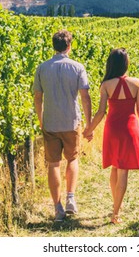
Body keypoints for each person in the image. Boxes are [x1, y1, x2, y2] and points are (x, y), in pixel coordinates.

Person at [33, 30, 93, 222]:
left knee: (53, 164)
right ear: (69, 46)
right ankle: (71, 199)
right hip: (71, 121)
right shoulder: (77, 67)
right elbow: (85, 97)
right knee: (72, 159)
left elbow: (38, 97)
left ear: (54, 46)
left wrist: (41, 119)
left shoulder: (42, 68)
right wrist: (89, 124)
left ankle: (57, 208)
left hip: (50, 122)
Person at [82, 48, 139, 225]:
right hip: (129, 127)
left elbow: (101, 112)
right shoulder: (136, 83)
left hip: (112, 129)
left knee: (114, 167)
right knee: (123, 169)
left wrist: (89, 129)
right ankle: (116, 212)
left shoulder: (106, 85)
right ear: (126, 63)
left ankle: (115, 204)